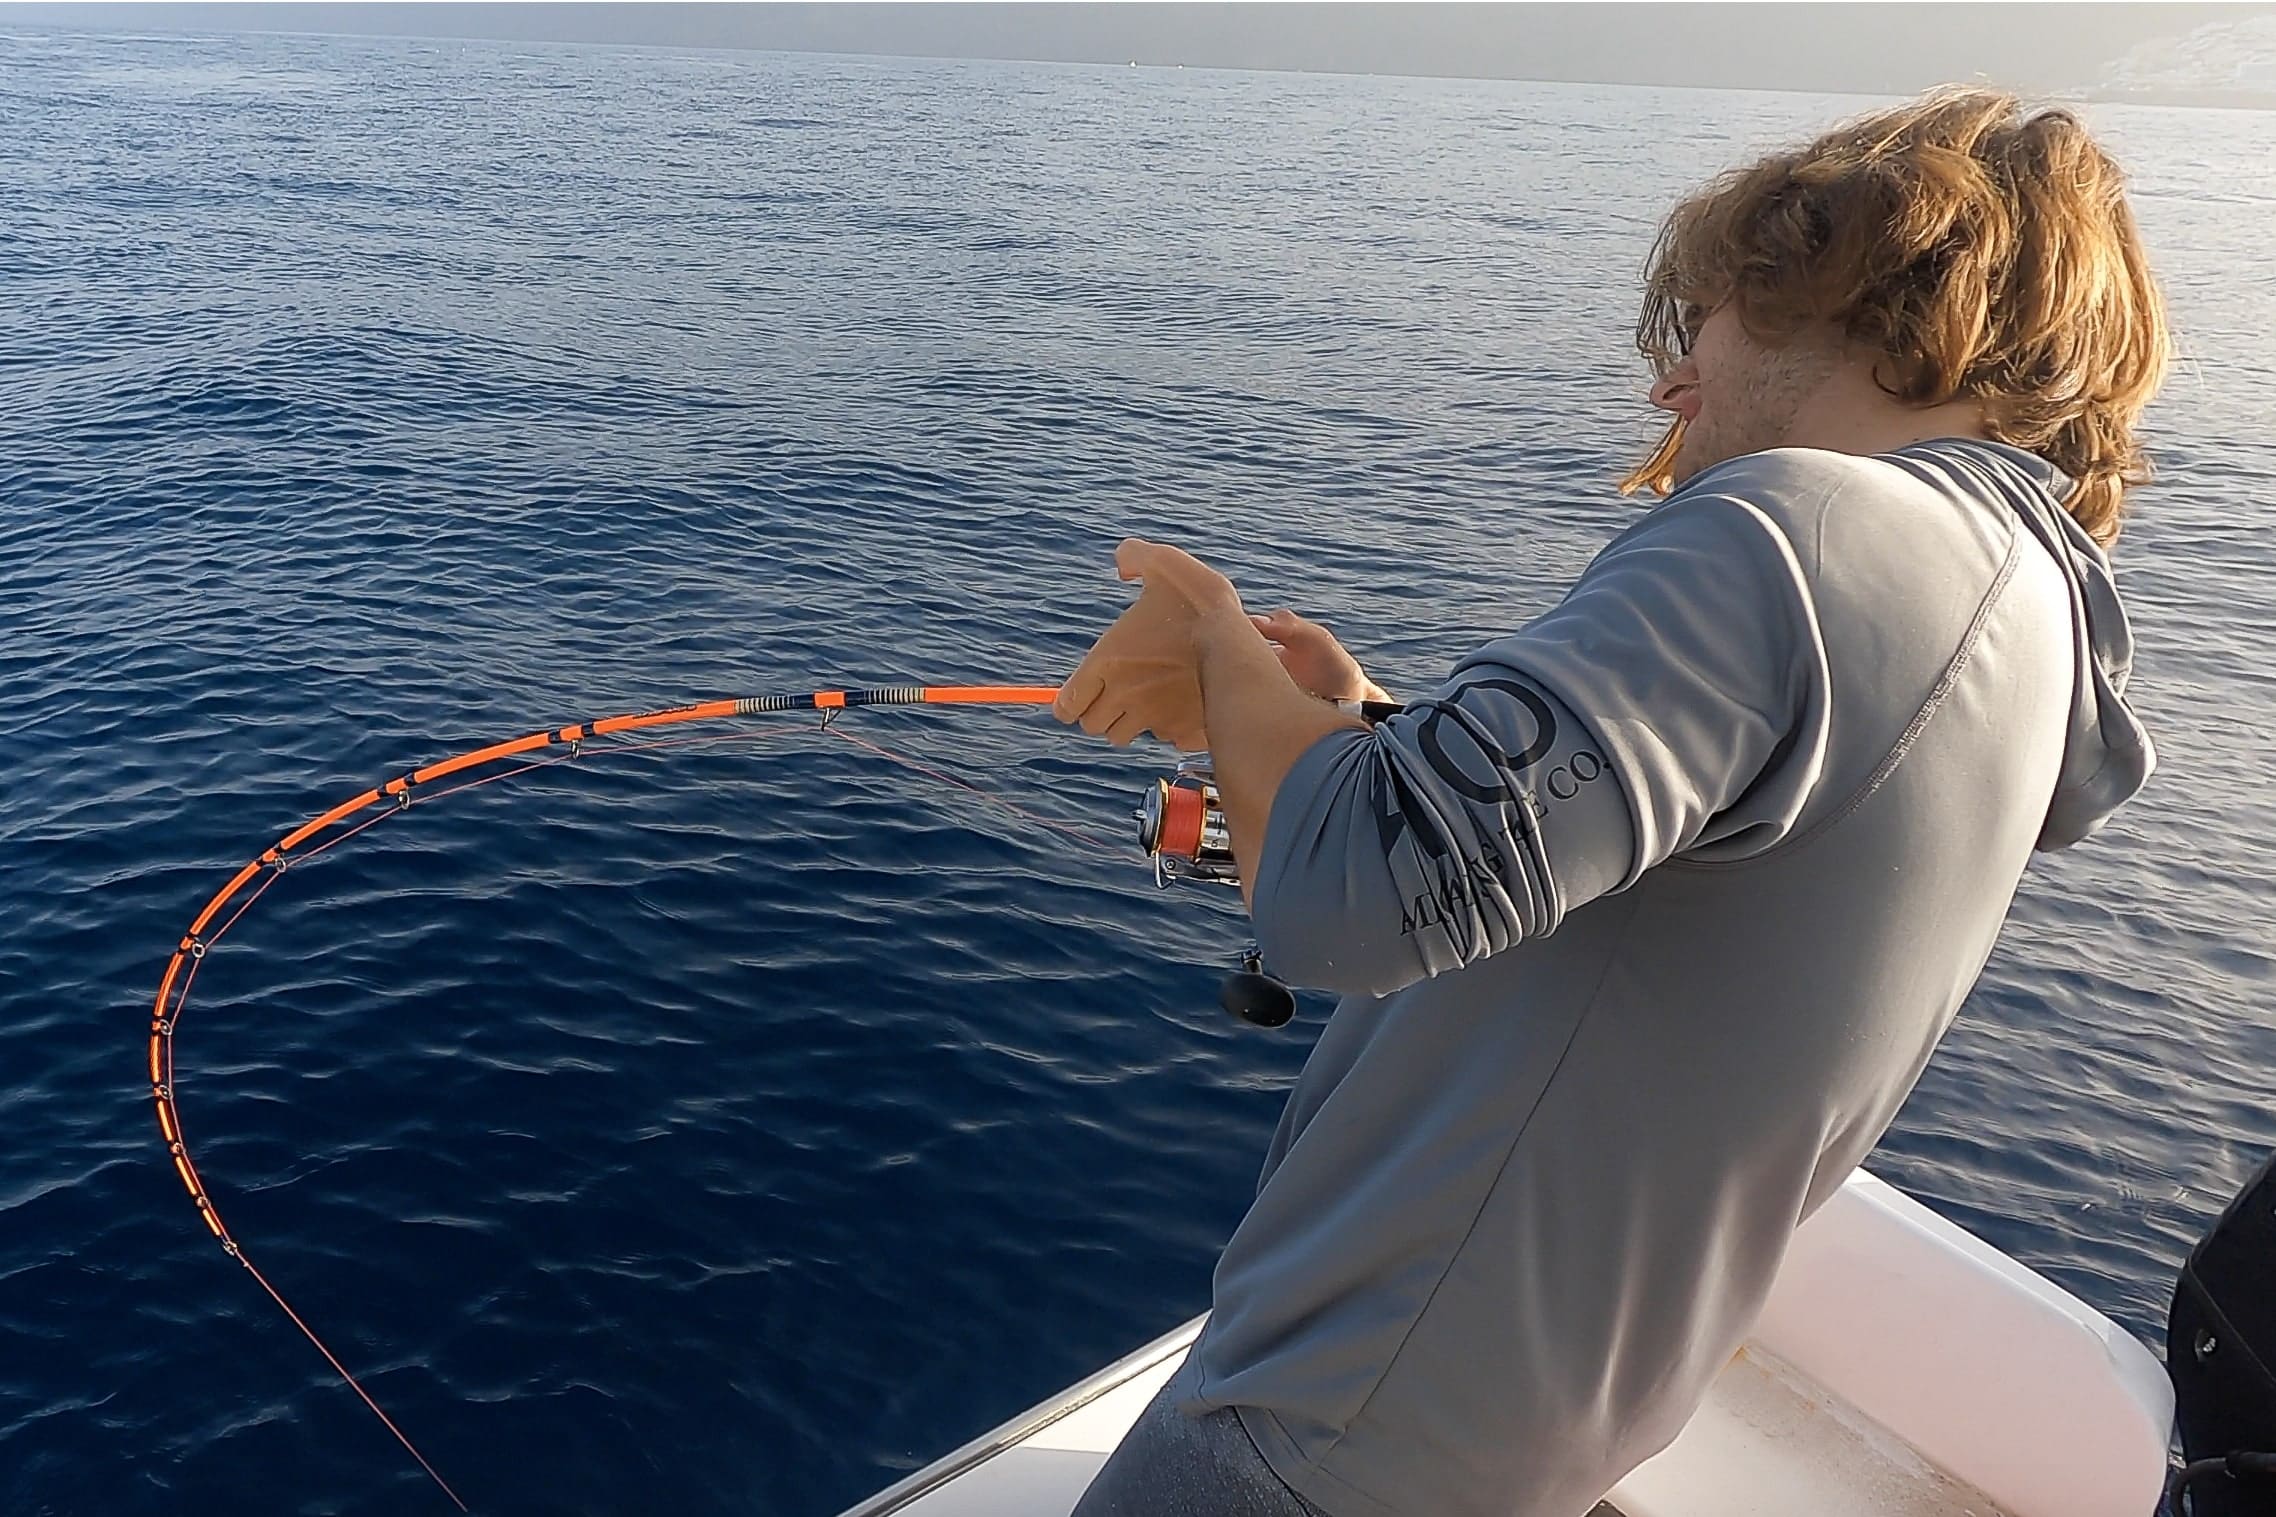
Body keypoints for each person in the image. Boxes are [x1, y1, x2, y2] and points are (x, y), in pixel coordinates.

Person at [1052, 87, 2170, 1517]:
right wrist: (1362, 728)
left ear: (1854, 292)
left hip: (1325, 1444)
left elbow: (1345, 893)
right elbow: (1690, 871)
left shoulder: (1801, 532)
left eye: (1711, 310)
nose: (1671, 378)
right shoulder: (2016, 607)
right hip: (1527, 1442)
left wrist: (1212, 646)